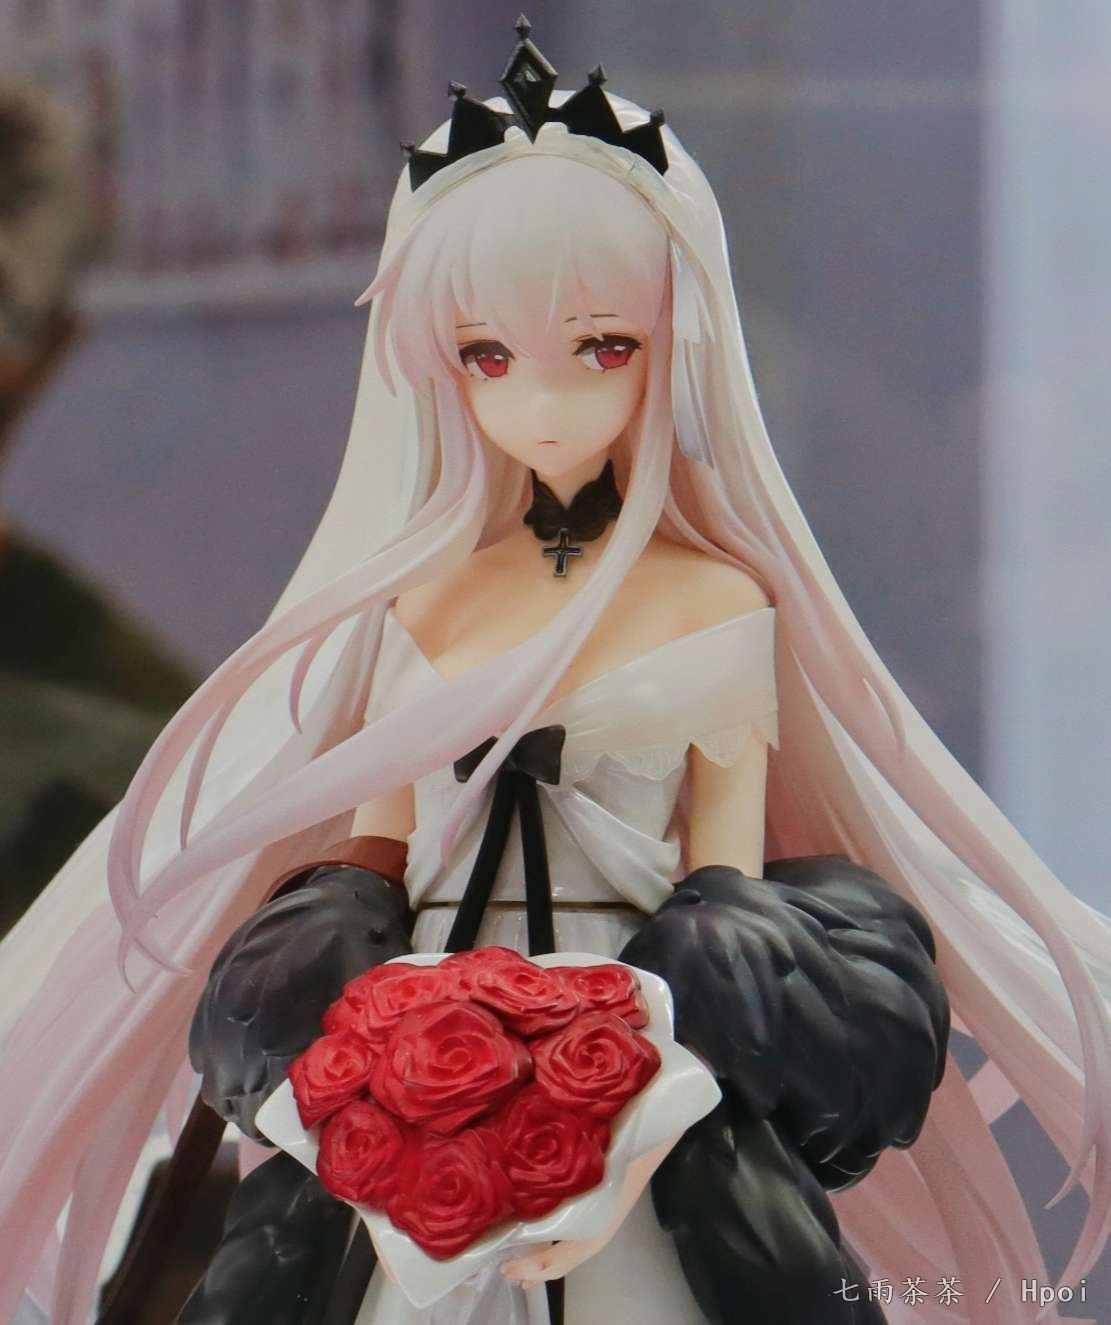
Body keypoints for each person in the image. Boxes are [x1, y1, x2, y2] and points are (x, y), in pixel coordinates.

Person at [1, 21, 1109, 1325]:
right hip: (424, 1087)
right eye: (489, 354)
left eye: (602, 346)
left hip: (650, 1072)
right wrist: (376, 1056)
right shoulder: (417, 599)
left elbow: (722, 894)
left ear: (670, 342)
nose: (543, 401)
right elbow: (371, 868)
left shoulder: (714, 602)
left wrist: (629, 1102)